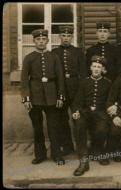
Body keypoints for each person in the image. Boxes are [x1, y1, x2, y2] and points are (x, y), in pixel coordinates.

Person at [20, 29, 65, 165]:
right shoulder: (29, 58)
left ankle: (56, 155)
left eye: (43, 39)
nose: (41, 42)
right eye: (38, 40)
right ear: (34, 41)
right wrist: (26, 99)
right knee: (37, 127)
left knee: (54, 127)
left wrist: (60, 97)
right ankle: (40, 155)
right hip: (35, 97)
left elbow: (60, 78)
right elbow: (24, 80)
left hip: (52, 97)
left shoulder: (54, 57)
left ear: (47, 41)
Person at [72, 55, 112, 176]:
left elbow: (110, 100)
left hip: (101, 113)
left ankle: (97, 151)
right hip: (85, 112)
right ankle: (84, 160)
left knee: (102, 129)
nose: (96, 69)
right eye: (94, 66)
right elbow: (77, 100)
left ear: (102, 69)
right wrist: (76, 111)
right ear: (90, 67)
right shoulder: (84, 82)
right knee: (79, 126)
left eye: (99, 67)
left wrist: (109, 111)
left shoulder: (108, 83)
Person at [52, 25, 87, 155]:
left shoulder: (78, 52)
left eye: (68, 36)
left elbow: (83, 74)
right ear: (59, 37)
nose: (66, 38)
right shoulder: (54, 53)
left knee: (78, 119)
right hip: (60, 91)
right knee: (62, 120)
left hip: (76, 90)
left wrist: (82, 92)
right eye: (63, 36)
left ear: (72, 37)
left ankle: (81, 147)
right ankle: (67, 147)